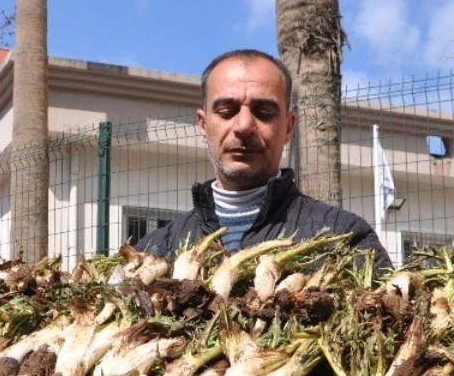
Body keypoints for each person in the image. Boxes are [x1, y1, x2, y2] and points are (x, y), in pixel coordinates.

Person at [136, 48, 392, 273]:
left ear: (289, 128)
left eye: (264, 113)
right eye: (226, 112)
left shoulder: (345, 239)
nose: (244, 125)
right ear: (203, 125)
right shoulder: (155, 250)